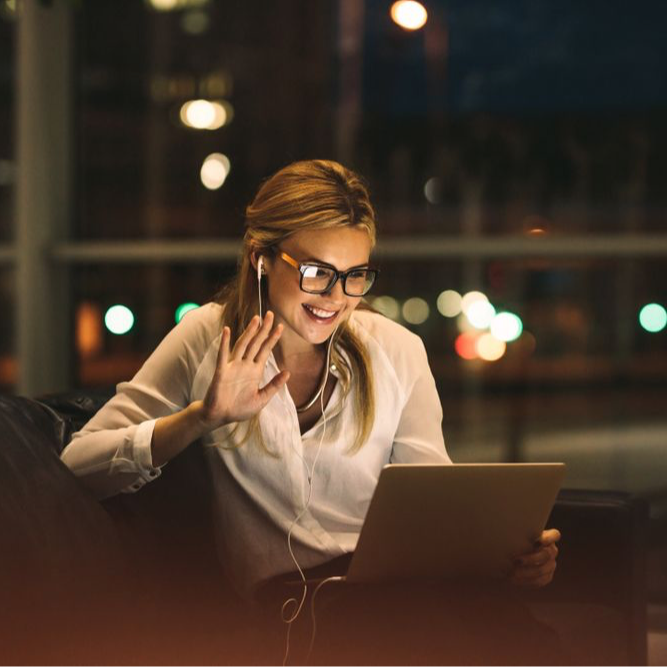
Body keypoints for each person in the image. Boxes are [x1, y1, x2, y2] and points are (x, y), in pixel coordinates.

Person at [61, 159, 561, 664]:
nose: (336, 298)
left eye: (354, 276)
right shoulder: (207, 339)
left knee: (510, 635)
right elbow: (78, 466)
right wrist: (200, 418)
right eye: (317, 272)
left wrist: (508, 557)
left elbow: (435, 502)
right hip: (298, 607)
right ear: (261, 259)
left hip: (405, 593)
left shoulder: (397, 350)